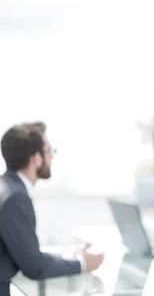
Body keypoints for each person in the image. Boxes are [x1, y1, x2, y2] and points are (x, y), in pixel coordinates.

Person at [0, 122, 104, 295]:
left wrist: (67, 257)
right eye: (49, 151)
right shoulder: (15, 198)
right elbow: (35, 267)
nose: (52, 158)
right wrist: (82, 264)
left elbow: (27, 253)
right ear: (36, 159)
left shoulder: (6, 188)